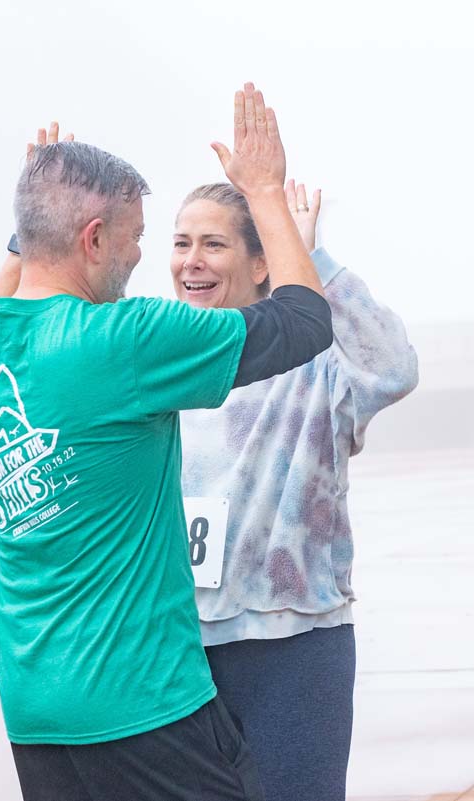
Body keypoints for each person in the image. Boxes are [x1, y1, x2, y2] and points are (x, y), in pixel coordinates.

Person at [0, 83, 333, 801]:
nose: (142, 257)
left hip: (35, 714)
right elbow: (303, 320)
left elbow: (4, 303)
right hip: (145, 705)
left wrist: (31, 224)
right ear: (92, 239)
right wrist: (265, 191)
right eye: (136, 238)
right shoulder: (122, 340)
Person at [173, 179, 419, 801]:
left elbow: (392, 367)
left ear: (262, 263)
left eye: (212, 244)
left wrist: (310, 263)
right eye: (180, 244)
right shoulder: (163, 369)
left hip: (294, 648)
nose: (191, 260)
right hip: (179, 650)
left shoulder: (316, 368)